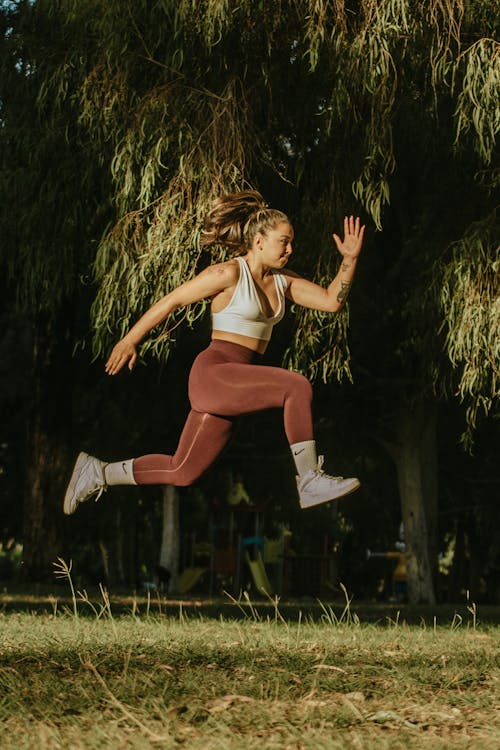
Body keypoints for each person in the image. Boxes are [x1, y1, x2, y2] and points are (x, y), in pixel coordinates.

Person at [64, 190, 365, 515]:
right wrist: (129, 340)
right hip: (215, 373)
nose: (290, 249)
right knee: (297, 386)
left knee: (183, 471)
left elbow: (332, 301)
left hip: (237, 381)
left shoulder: (283, 282)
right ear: (259, 241)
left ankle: (98, 473)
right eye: (283, 241)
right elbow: (173, 300)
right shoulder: (228, 274)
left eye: (291, 242)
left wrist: (349, 261)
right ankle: (308, 478)